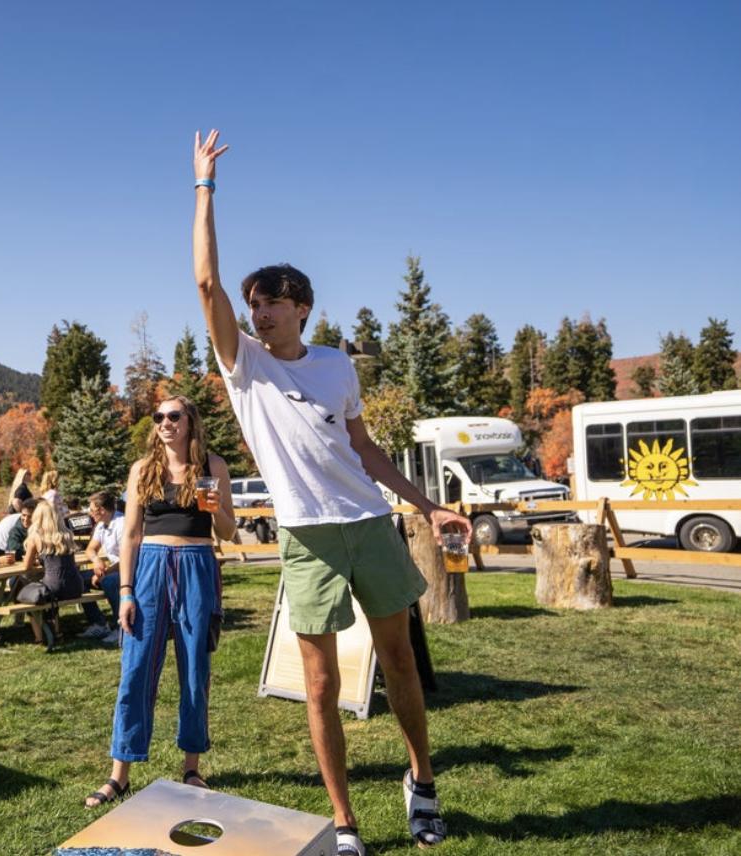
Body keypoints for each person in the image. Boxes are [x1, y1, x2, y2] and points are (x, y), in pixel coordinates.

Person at [192, 129, 472, 854]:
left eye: (272, 302)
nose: (258, 312)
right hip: (307, 536)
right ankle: (344, 822)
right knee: (318, 686)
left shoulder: (336, 366)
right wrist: (205, 188)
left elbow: (363, 448)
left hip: (371, 523)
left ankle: (422, 781)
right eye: (253, 302)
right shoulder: (241, 364)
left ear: (302, 309)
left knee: (402, 660)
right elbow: (203, 284)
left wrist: (427, 503)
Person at [85, 396, 236, 808]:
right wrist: (126, 591)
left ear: (190, 421)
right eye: (159, 418)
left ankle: (191, 768)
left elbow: (229, 532)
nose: (165, 423)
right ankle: (120, 775)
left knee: (194, 668)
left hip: (197, 563)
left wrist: (215, 506)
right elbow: (131, 535)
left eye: (173, 416)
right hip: (150, 567)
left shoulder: (213, 466)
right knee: (135, 668)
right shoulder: (142, 469)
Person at [17, 498, 87, 644]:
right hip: (76, 586)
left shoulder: (36, 536)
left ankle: (39, 638)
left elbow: (25, 567)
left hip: (54, 588)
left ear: (38, 516)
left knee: (30, 596)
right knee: (48, 594)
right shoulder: (67, 534)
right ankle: (57, 632)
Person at [87, 490, 127, 646]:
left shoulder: (121, 523)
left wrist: (105, 573)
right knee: (78, 579)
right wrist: (96, 561)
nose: (90, 514)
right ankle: (98, 624)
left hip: (129, 569)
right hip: (111, 568)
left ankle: (121, 629)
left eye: (91, 510)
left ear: (101, 510)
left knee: (110, 581)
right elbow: (90, 549)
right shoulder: (101, 525)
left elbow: (127, 559)